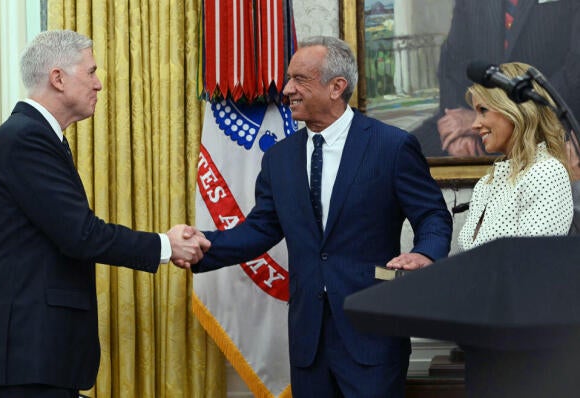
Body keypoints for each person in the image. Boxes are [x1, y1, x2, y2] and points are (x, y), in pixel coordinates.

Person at [184, 36, 452, 398]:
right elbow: (260, 230)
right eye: (289, 79)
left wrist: (425, 253)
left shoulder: (391, 146)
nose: (287, 89)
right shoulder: (278, 159)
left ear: (336, 87)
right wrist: (201, 246)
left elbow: (433, 214)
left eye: (300, 80)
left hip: (371, 334)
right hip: (309, 340)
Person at [0, 30, 210, 397]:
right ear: (58, 78)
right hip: (31, 352)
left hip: (43, 353)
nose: (99, 84)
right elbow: (81, 234)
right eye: (91, 72)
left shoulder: (38, 136)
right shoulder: (25, 138)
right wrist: (165, 245)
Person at [411, 0, 580, 157]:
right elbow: (453, 65)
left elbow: (574, 75)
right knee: (404, 153)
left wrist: (490, 118)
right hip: (471, 117)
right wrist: (455, 131)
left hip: (545, 122)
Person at [457, 62, 573, 251]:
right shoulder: (486, 183)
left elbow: (535, 264)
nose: (474, 124)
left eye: (483, 110)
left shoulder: (547, 173)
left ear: (515, 109)